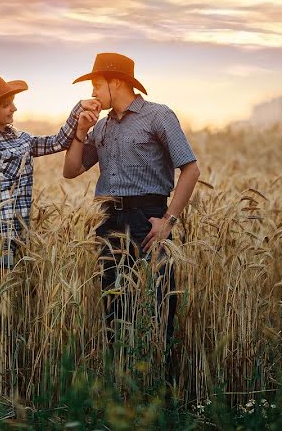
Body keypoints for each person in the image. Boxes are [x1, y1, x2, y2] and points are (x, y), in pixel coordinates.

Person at [62, 53, 200, 350]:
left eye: (97, 86)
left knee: (159, 302)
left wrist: (169, 221)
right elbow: (71, 170)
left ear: (116, 82)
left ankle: (158, 381)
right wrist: (81, 132)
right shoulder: (102, 127)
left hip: (148, 219)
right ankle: (121, 379)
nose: (92, 94)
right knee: (114, 306)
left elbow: (191, 169)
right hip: (108, 220)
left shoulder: (158, 116)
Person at [0, 71, 99, 288]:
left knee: (2, 304)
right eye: (6, 105)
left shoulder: (22, 139)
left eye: (12, 103)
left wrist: (79, 108)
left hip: (16, 231)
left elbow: (58, 142)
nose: (13, 108)